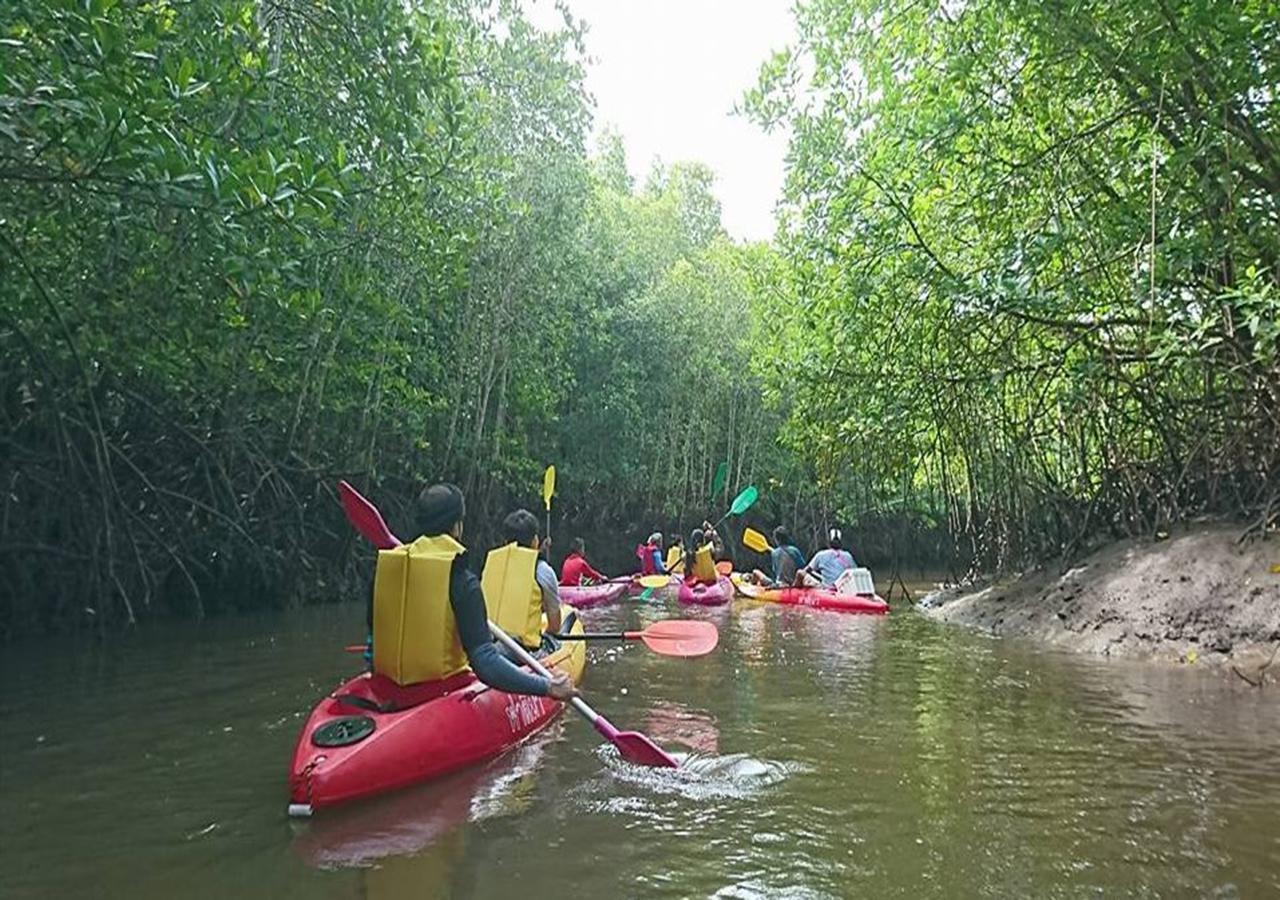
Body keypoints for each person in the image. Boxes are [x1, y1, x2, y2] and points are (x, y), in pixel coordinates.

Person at [370, 483, 576, 700]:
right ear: (457, 526)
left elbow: (372, 645)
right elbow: (484, 661)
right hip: (443, 691)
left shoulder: (387, 569)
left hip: (385, 691)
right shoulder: (461, 579)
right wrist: (547, 686)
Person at [487, 509, 563, 653]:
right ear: (535, 540)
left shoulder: (491, 565)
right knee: (553, 642)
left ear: (505, 542)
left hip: (490, 646)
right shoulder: (542, 571)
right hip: (523, 651)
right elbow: (555, 626)